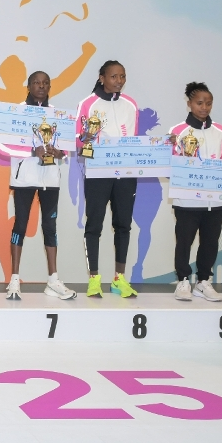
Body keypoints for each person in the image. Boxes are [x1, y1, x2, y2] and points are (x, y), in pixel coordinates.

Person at [0, 71, 76, 301]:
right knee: (20, 225)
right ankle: (14, 279)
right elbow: (3, 147)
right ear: (28, 86)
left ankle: (53, 280)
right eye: (36, 83)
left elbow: (66, 150)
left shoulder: (57, 115)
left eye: (45, 83)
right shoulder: (17, 112)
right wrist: (32, 151)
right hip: (24, 179)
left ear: (49, 86)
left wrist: (59, 153)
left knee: (50, 227)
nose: (41, 86)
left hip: (50, 180)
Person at [75, 60, 140, 298]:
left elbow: (133, 139)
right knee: (94, 225)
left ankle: (119, 279)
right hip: (97, 173)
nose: (119, 81)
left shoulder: (131, 104)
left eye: (122, 76)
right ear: (102, 78)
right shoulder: (87, 104)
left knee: (123, 225)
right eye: (114, 76)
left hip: (125, 174)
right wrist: (86, 137)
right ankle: (94, 279)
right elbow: (78, 141)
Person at [167, 82, 222, 302]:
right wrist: (170, 149)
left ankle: (203, 281)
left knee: (210, 242)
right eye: (199, 103)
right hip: (187, 200)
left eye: (208, 103)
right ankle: (183, 281)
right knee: (184, 242)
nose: (204, 107)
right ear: (189, 104)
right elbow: (170, 166)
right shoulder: (177, 132)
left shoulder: (220, 132)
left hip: (215, 200)